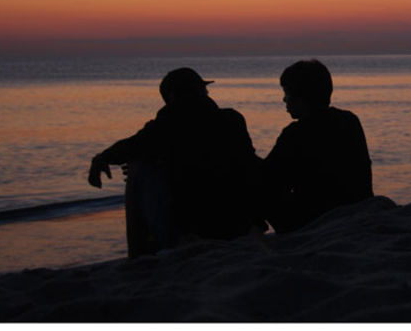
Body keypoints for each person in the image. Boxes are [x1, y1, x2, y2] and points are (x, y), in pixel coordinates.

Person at [88, 67, 265, 257]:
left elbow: (131, 147)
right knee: (147, 160)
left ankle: (139, 254)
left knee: (140, 167)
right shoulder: (233, 119)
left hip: (197, 228)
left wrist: (101, 159)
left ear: (171, 97)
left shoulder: (166, 125)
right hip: (242, 221)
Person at [263, 59, 373, 233]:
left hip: (313, 217)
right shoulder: (349, 120)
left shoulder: (296, 134)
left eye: (287, 93)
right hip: (357, 209)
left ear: (301, 97)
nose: (284, 99)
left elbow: (269, 178)